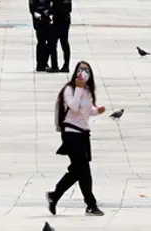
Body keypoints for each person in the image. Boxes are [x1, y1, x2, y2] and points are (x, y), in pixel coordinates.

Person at [47, 61, 107, 217]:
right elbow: (73, 106)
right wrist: (79, 88)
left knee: (77, 170)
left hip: (83, 134)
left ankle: (54, 195)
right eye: (81, 69)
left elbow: (86, 110)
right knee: (84, 170)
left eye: (86, 70)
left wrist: (97, 110)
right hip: (71, 133)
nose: (83, 72)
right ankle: (91, 205)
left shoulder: (87, 90)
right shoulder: (69, 89)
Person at [48, 0, 73, 73]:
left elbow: (55, 8)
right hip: (66, 21)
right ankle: (66, 66)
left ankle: (55, 66)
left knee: (52, 42)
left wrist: (48, 12)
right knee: (65, 43)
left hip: (58, 21)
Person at [29, 0, 53, 72]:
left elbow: (52, 4)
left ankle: (45, 62)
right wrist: (35, 14)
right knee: (41, 43)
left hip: (47, 21)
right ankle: (40, 64)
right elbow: (32, 9)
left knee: (50, 43)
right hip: (39, 23)